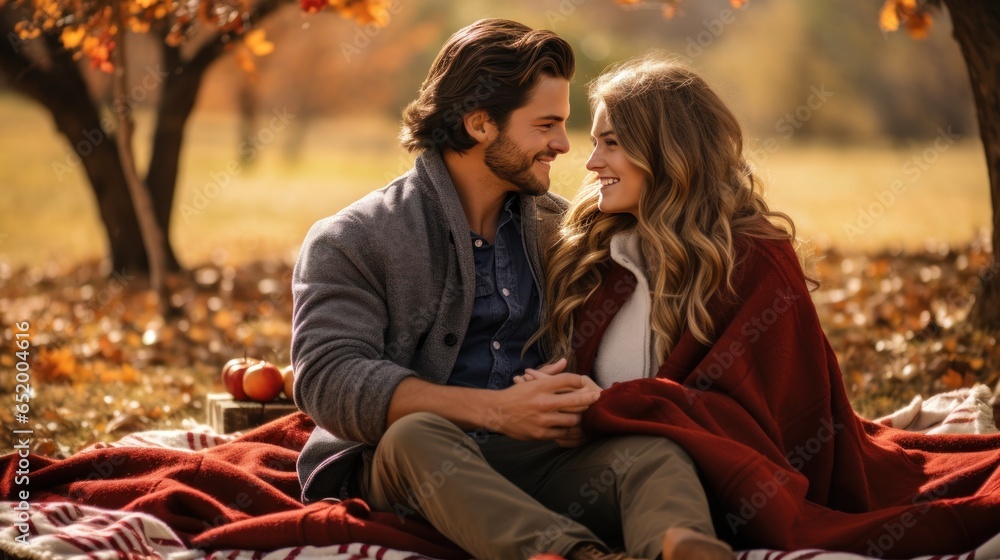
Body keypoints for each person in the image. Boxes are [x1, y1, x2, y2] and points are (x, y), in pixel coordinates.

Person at [521, 56, 1000, 556]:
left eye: (612, 144)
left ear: (668, 151)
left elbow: (763, 426)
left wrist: (605, 406)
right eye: (595, 142)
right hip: (602, 472)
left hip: (708, 485)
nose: (592, 162)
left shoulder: (752, 258)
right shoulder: (590, 253)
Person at [291, 20, 733, 560]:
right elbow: (329, 379)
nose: (563, 145)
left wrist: (575, 406)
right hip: (410, 464)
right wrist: (496, 411)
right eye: (546, 125)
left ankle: (677, 548)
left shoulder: (561, 230)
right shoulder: (356, 238)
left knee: (653, 454)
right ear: (480, 125)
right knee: (417, 434)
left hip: (535, 460)